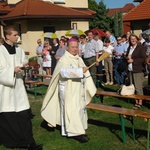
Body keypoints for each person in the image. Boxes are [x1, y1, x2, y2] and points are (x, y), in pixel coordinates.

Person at [41, 38, 96, 143]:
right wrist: (79, 71)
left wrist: (84, 72)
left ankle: (78, 128)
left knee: (78, 108)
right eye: (73, 47)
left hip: (78, 89)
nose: (75, 49)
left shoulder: (78, 58)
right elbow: (63, 72)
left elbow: (84, 70)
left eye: (76, 47)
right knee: (71, 109)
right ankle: (74, 132)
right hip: (68, 89)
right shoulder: (64, 59)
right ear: (67, 47)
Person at [0, 25, 43, 150]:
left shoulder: (19, 49)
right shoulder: (1, 51)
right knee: (9, 117)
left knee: (23, 115)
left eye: (17, 34)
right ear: (7, 36)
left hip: (18, 86)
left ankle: (30, 142)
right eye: (14, 35)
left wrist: (25, 65)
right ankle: (13, 142)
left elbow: (23, 60)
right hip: (6, 88)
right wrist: (12, 70)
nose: (17, 36)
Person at [126, 34, 147, 109]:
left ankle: (140, 102)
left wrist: (133, 60)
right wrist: (126, 58)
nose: (133, 40)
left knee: (138, 87)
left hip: (138, 70)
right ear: (129, 40)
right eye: (131, 39)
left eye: (134, 38)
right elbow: (128, 57)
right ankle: (136, 101)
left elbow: (143, 58)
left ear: (137, 39)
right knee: (132, 87)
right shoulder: (129, 48)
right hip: (130, 70)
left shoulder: (141, 47)